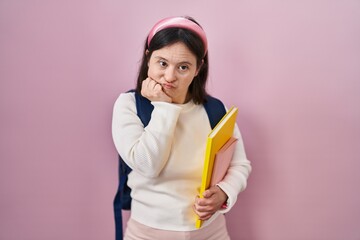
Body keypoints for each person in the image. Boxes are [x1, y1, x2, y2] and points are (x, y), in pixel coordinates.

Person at [112, 16, 251, 240]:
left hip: (211, 233)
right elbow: (148, 166)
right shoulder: (128, 106)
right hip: (147, 234)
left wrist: (225, 192)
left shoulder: (215, 110)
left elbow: (240, 164)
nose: (169, 76)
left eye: (183, 67)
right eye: (162, 63)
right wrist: (164, 107)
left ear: (198, 69)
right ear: (148, 58)